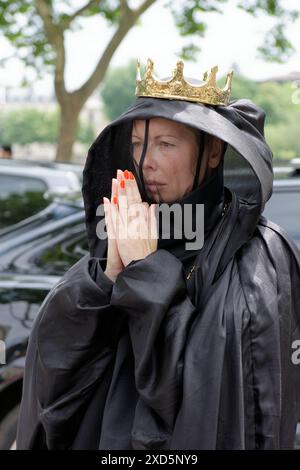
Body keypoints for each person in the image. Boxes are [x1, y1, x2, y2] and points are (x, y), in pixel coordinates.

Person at [16, 59, 300, 450]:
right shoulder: (124, 236)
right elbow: (56, 376)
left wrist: (147, 275)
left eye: (166, 144)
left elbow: (215, 397)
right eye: (137, 143)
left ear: (213, 152)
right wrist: (106, 279)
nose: (145, 160)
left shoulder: (258, 256)